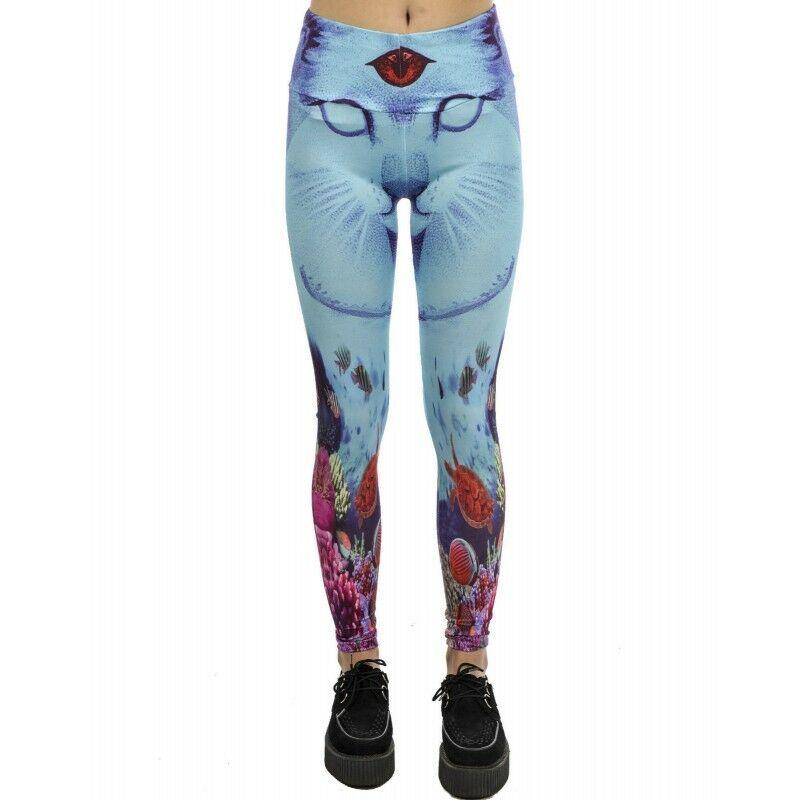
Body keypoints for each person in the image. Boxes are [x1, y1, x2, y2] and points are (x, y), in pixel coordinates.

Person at [285, 2, 522, 795]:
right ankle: (358, 664)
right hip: (334, 93)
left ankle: (469, 669)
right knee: (348, 414)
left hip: (470, 95)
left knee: (466, 410)